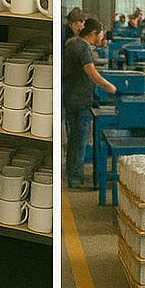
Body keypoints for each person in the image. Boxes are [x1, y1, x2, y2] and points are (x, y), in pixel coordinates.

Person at [62, 17, 116, 190]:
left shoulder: (72, 43)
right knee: (79, 142)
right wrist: (110, 87)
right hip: (80, 100)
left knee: (74, 141)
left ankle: (71, 173)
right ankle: (75, 179)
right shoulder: (84, 48)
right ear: (94, 33)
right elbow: (92, 73)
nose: (102, 38)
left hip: (71, 97)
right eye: (101, 35)